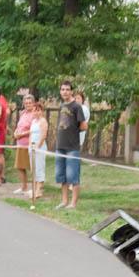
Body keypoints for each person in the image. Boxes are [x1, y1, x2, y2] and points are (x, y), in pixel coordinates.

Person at [54, 81, 87, 209]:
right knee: (62, 175)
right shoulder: (62, 105)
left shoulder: (76, 107)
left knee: (73, 176)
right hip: (60, 146)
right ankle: (64, 201)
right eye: (63, 89)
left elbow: (84, 126)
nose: (65, 92)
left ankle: (73, 203)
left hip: (72, 147)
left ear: (71, 91)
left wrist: (73, 131)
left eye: (67, 89)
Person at [12, 94, 35, 195]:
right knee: (20, 166)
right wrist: (16, 132)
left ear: (33, 103)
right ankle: (23, 187)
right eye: (26, 103)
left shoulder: (34, 114)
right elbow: (19, 126)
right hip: (20, 143)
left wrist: (22, 134)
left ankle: (34, 188)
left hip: (29, 143)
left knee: (32, 166)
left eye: (30, 103)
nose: (28, 105)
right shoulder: (23, 113)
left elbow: (34, 129)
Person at [29, 101, 48, 198]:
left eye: (38, 110)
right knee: (33, 168)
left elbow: (43, 135)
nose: (36, 112)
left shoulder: (43, 121)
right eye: (34, 110)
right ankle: (34, 188)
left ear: (42, 111)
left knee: (39, 167)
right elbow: (31, 134)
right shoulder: (33, 121)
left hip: (39, 148)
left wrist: (38, 146)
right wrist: (29, 146)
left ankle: (39, 190)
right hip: (31, 148)